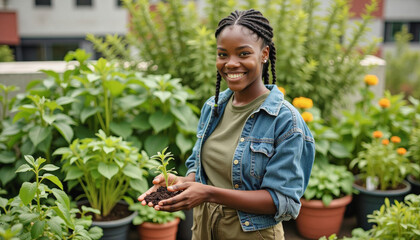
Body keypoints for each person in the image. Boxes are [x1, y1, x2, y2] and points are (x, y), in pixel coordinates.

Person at [138, 9, 315, 240]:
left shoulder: (285, 121)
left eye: (243, 54)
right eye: (223, 54)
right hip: (203, 230)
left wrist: (208, 194)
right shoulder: (213, 108)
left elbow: (282, 201)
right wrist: (181, 183)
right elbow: (201, 169)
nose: (231, 64)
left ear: (264, 54)